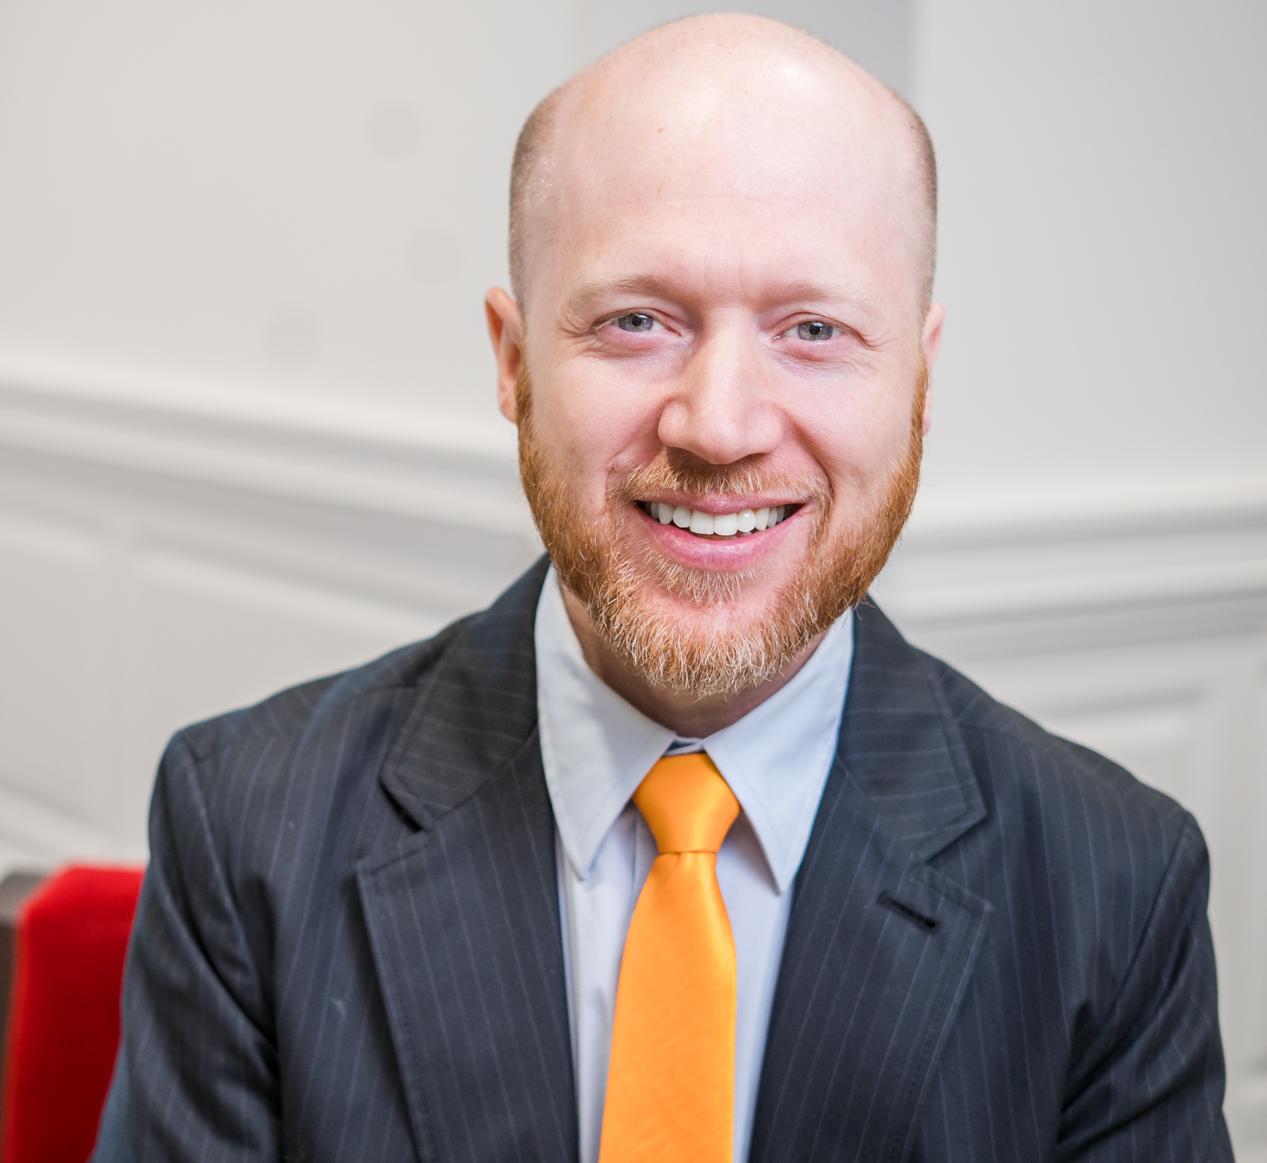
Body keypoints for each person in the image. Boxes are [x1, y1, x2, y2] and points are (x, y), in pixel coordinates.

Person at [94, 13, 1232, 1162]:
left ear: (920, 381)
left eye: (814, 328)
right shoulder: (245, 820)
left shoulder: (1114, 887)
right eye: (637, 320)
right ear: (512, 359)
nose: (719, 425)